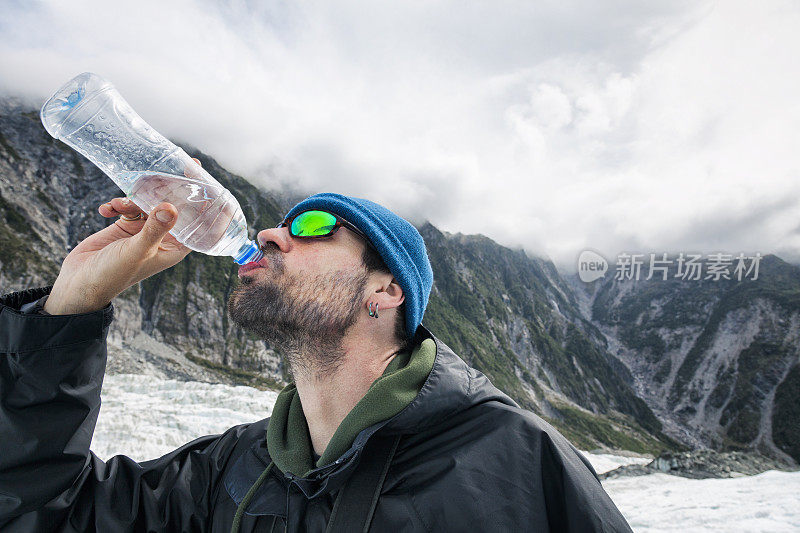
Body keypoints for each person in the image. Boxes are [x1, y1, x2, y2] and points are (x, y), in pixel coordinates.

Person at [0, 178, 633, 531]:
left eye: (311, 229)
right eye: (281, 223)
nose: (272, 233)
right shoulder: (228, 473)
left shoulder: (515, 458)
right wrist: (69, 310)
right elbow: (42, 514)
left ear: (385, 291)